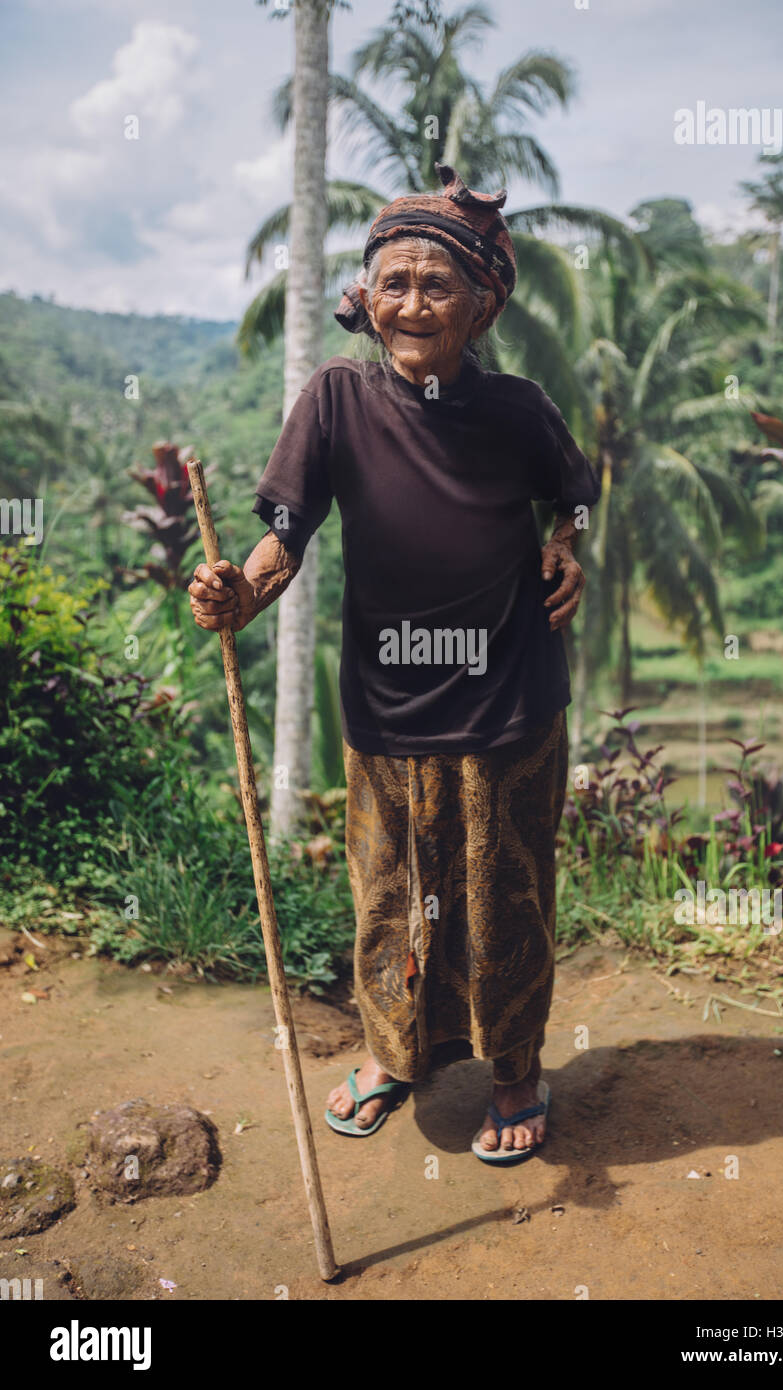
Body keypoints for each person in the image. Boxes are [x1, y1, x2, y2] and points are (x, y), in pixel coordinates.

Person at [189, 164, 600, 1163]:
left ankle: (513, 1068)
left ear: (480, 304)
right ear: (365, 299)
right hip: (385, 705)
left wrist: (566, 541)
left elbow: (572, 494)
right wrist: (241, 594)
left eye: (436, 284)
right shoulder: (334, 399)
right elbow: (285, 535)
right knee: (387, 895)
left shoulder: (516, 410)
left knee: (503, 897)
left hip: (508, 700)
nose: (412, 303)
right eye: (394, 282)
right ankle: (391, 1054)